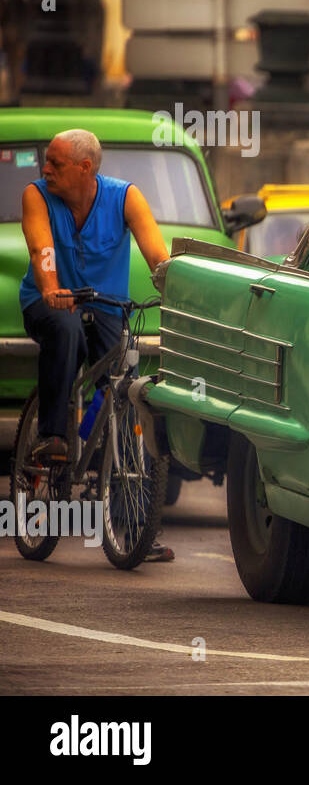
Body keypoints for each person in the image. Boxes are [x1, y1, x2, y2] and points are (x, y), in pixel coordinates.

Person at [18, 129, 175, 562]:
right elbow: (40, 248)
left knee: (126, 389)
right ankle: (52, 435)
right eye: (46, 162)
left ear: (85, 168)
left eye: (55, 162)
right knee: (65, 330)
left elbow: (156, 255)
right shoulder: (37, 195)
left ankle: (134, 525)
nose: (45, 169)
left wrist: (175, 287)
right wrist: (51, 288)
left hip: (107, 306)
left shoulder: (125, 197)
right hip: (49, 303)